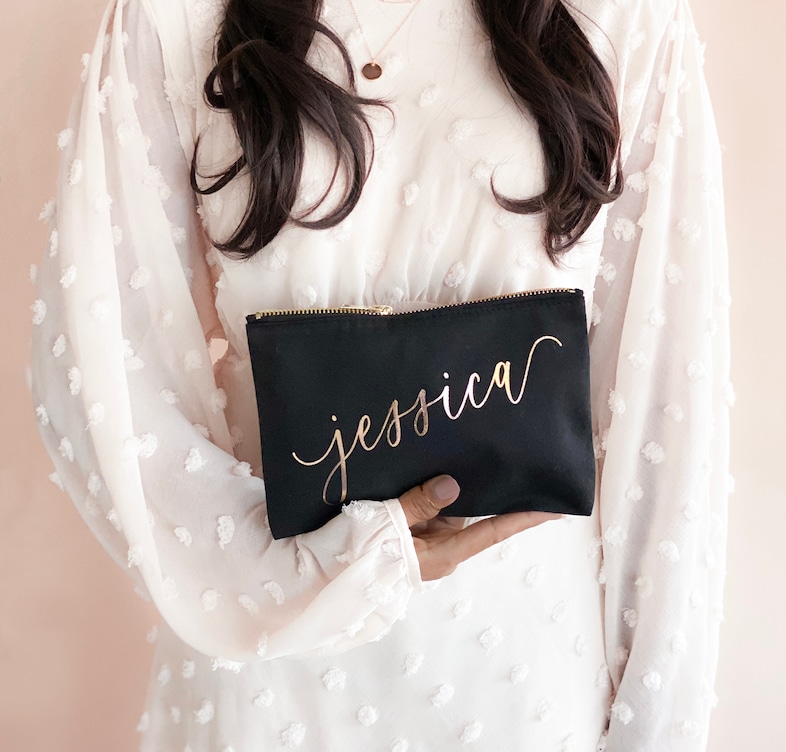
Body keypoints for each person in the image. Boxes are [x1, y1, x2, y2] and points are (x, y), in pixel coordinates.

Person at [30, 0, 730, 749]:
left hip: (522, 680)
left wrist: (657, 731)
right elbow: (102, 368)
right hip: (269, 671)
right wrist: (323, 572)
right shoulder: (173, 15)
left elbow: (666, 406)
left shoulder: (626, 17)